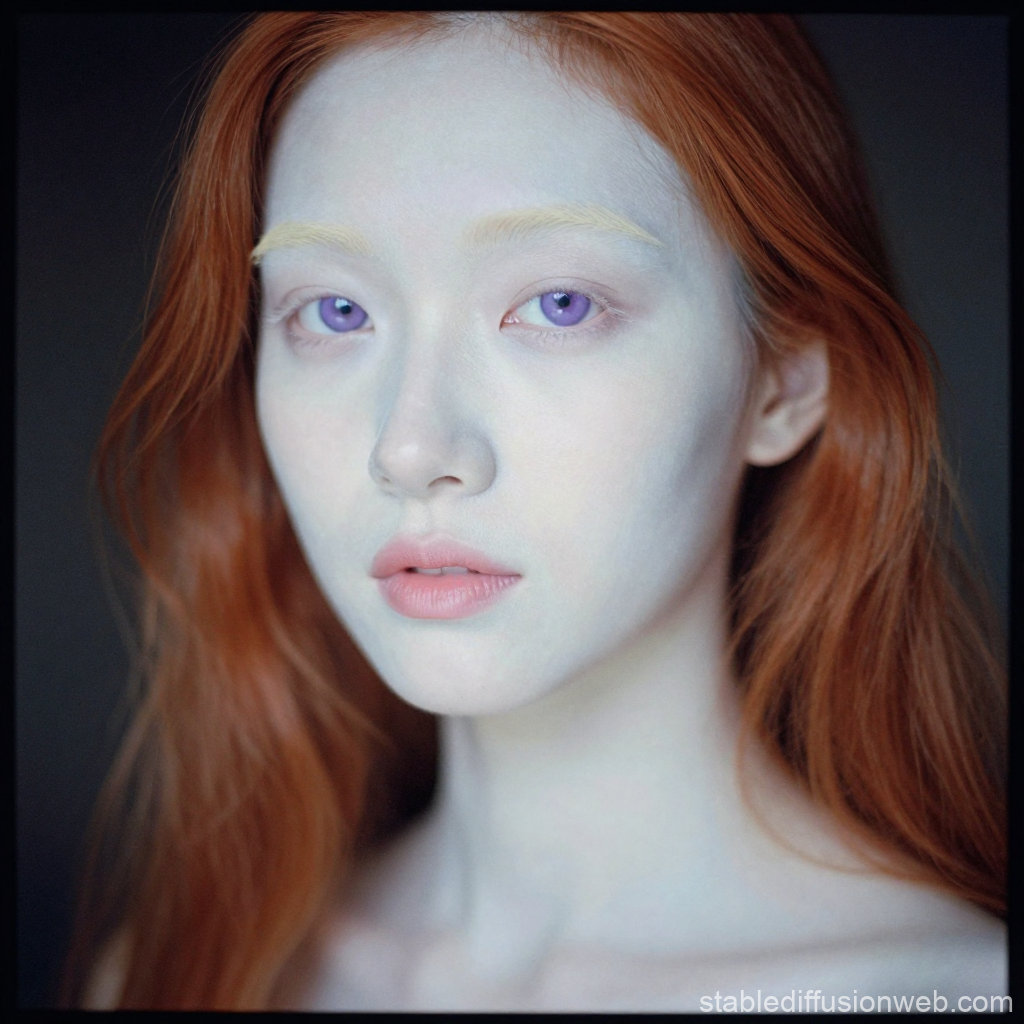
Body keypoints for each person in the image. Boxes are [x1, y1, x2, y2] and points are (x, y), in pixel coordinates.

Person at [64, 12, 1006, 1011]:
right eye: (335, 312)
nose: (411, 448)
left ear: (784, 380)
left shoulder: (947, 995)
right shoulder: (179, 973)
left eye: (559, 304)